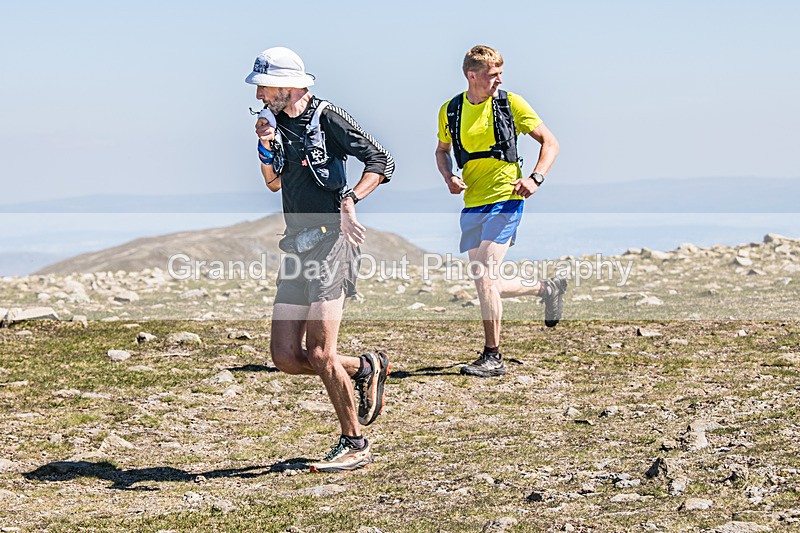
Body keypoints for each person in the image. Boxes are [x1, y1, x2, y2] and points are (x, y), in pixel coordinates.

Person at [245, 47, 394, 472]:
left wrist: (350, 198)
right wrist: (264, 144)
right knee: (287, 357)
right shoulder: (274, 124)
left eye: (264, 85)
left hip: (333, 242)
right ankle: (366, 367)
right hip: (295, 244)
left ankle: (355, 443)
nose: (258, 94)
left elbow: (382, 160)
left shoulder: (328, 117)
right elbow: (274, 184)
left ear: (288, 85)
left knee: (320, 351)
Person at [435, 45, 565, 378]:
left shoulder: (511, 104)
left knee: (484, 274)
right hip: (472, 202)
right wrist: (449, 175)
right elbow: (442, 150)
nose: (499, 80)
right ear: (472, 76)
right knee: (485, 279)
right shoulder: (450, 110)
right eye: (493, 75)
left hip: (507, 198)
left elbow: (550, 142)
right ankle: (546, 288)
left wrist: (535, 178)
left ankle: (493, 356)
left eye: (501, 74)